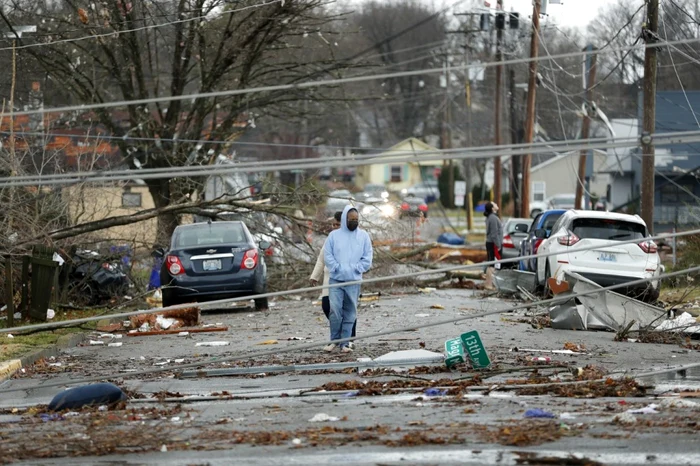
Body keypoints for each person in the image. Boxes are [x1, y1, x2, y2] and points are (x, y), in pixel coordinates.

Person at [323, 205, 373, 353]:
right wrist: (337, 268)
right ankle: (334, 340)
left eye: (356, 219)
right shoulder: (333, 236)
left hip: (354, 280)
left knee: (350, 312)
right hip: (336, 280)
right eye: (351, 219)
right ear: (345, 219)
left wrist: (357, 269)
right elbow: (328, 255)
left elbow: (367, 257)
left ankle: (345, 343)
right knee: (335, 311)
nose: (354, 222)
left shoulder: (363, 236)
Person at [309, 212, 357, 344]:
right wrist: (315, 276)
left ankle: (349, 339)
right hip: (329, 279)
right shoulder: (330, 239)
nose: (334, 227)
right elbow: (321, 258)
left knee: (348, 309)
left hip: (347, 279)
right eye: (333, 224)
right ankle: (339, 335)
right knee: (327, 306)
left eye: (337, 224)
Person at [484, 202, 503, 268]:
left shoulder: (492, 217)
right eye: (495, 204)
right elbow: (494, 234)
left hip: (492, 243)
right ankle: (490, 278)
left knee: (491, 264)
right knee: (492, 265)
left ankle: (490, 278)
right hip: (493, 244)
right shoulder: (493, 218)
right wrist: (498, 245)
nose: (496, 204)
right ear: (492, 208)